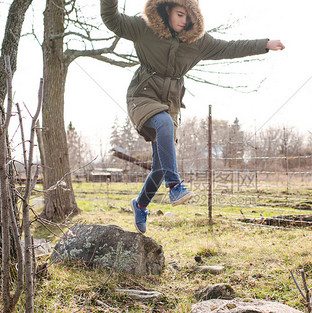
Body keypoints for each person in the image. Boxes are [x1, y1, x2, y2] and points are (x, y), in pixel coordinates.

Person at [101, 0, 285, 233]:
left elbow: (229, 48)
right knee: (164, 124)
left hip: (170, 104)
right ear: (167, 9)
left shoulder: (198, 43)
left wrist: (264, 44)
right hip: (142, 97)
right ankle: (175, 186)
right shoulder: (143, 28)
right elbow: (112, 19)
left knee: (159, 166)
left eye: (188, 17)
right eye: (180, 14)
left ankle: (140, 205)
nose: (184, 21)